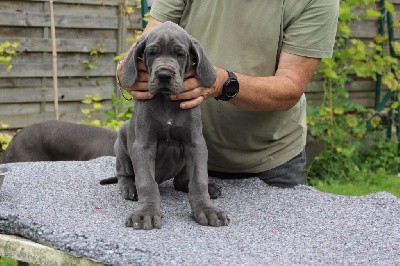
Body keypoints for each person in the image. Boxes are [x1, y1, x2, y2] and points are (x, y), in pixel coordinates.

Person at [116, 0, 340, 188]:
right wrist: (130, 72)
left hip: (270, 163)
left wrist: (223, 83)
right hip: (184, 160)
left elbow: (290, 88)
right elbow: (149, 42)